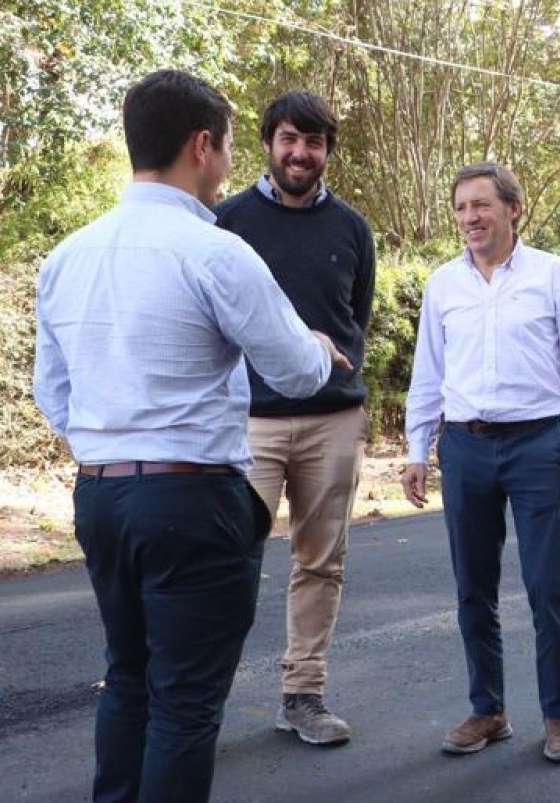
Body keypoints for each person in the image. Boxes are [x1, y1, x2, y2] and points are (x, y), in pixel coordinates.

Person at [34, 69, 350, 803]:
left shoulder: (67, 256)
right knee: (184, 702)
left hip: (100, 492)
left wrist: (112, 439)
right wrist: (320, 345)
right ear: (201, 146)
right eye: (230, 145)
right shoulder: (214, 249)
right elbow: (290, 366)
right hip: (192, 494)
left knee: (128, 673)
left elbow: (53, 396)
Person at [400, 162, 560, 764]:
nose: (469, 217)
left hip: (537, 444)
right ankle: (487, 709)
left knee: (549, 583)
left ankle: (559, 715)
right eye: (461, 207)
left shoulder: (552, 275)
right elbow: (428, 374)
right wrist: (418, 451)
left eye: (481, 205)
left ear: (513, 209)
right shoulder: (443, 284)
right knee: (473, 586)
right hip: (464, 446)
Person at [216, 90, 376, 747]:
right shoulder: (225, 222)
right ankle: (199, 702)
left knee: (320, 562)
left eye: (313, 142)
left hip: (332, 422)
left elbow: (354, 319)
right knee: (225, 561)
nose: (300, 153)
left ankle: (302, 696)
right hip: (246, 423)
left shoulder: (352, 229)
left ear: (327, 151)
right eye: (289, 139)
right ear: (268, 145)